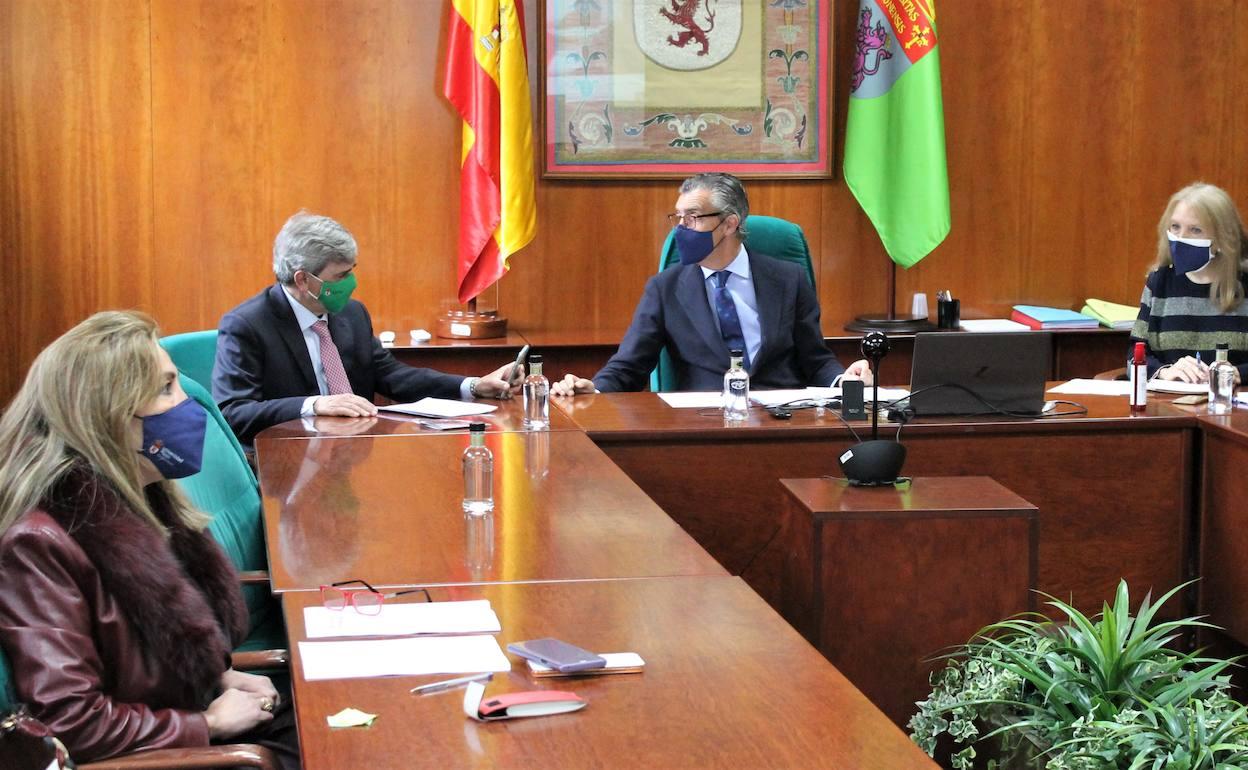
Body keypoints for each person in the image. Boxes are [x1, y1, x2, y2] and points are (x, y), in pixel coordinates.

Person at [0, 311, 296, 766]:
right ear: (109, 416)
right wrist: (209, 724)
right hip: (171, 753)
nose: (190, 404)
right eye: (166, 388)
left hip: (186, 721)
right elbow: (68, 723)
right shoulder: (38, 543)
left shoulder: (144, 497)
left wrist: (220, 678)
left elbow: (156, 652)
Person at [214, 211, 520, 444]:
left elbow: (391, 376)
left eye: (351, 272)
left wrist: (473, 385)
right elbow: (234, 412)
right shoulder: (248, 325)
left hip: (353, 452)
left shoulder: (352, 314)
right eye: (340, 276)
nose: (351, 284)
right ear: (302, 280)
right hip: (290, 460)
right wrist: (315, 405)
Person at [550, 173, 870, 395]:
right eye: (678, 217)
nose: (681, 228)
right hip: (704, 424)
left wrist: (844, 380)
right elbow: (629, 366)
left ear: (729, 223)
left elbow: (815, 360)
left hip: (781, 419)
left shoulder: (788, 280)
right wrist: (594, 387)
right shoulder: (665, 289)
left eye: (693, 217)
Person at [1131, 182, 1248, 384]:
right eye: (1175, 227)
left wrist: (1239, 374)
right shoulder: (1160, 281)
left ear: (1223, 238)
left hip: (1229, 406)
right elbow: (1135, 355)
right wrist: (1164, 372)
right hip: (1169, 405)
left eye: (1195, 230)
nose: (1181, 238)